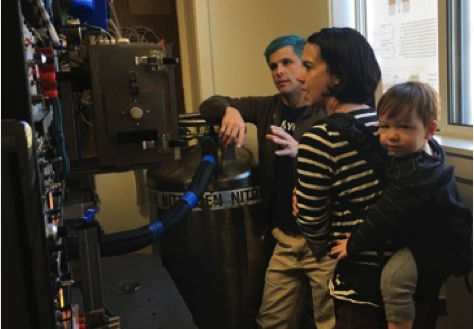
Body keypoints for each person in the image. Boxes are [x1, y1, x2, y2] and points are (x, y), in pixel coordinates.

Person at [199, 34, 334, 329]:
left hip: (322, 243)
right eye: (273, 66)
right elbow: (207, 104)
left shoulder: (325, 112)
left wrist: (301, 152)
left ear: (306, 66)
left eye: (287, 62)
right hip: (284, 240)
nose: (279, 72)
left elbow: (341, 169)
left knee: (330, 324)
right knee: (271, 322)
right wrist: (229, 110)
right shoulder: (266, 107)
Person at [330, 81, 470, 329]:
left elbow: (385, 213)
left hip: (434, 243)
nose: (391, 135)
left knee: (395, 278)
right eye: (384, 126)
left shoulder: (415, 175)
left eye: (404, 127)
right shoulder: (422, 150)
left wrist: (354, 243)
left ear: (430, 130)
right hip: (428, 232)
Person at [294, 27, 393, 329]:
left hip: (361, 284)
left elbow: (313, 227)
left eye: (308, 67)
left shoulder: (319, 139)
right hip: (411, 273)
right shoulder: (392, 124)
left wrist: (307, 214)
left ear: (337, 76)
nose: (300, 77)